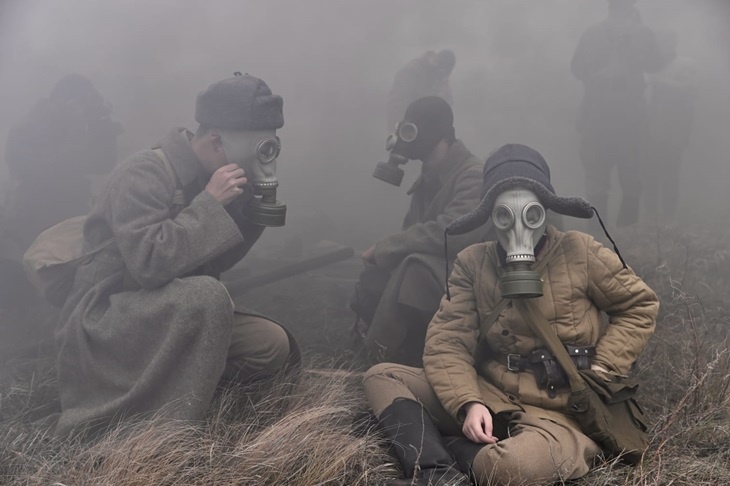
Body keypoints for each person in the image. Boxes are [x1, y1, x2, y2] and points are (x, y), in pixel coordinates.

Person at [363, 143, 659, 485]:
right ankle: (436, 472)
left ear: (545, 210)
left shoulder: (581, 252)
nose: (519, 228)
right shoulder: (473, 263)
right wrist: (467, 402)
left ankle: (456, 449)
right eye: (505, 216)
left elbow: (639, 305)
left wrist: (604, 365)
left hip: (562, 410)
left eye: (530, 215)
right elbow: (448, 343)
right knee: (383, 376)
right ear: (491, 215)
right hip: (490, 392)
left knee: (507, 469)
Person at [53, 73, 299, 437]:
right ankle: (157, 427)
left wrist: (253, 208)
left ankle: (182, 392)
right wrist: (210, 205)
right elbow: (149, 264)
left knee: (271, 344)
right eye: (257, 147)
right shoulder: (143, 172)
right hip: (106, 317)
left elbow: (213, 262)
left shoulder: (209, 175)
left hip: (167, 312)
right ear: (217, 140)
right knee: (208, 294)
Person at [352, 96, 484, 367]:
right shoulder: (429, 175)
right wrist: (384, 256)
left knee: (413, 268)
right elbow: (413, 233)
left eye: (411, 132)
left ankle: (379, 355)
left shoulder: (472, 175)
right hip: (438, 270)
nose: (406, 139)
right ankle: (386, 345)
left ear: (435, 133)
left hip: (471, 275)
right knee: (378, 274)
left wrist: (387, 247)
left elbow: (456, 230)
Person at [571, 0, 669, 227]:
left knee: (596, 179)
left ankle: (597, 237)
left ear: (609, 7)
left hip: (597, 118)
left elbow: (576, 69)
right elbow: (657, 64)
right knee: (632, 176)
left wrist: (596, 72)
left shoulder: (591, 33)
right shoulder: (643, 33)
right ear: (632, 8)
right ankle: (628, 239)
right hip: (631, 119)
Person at [4, 74, 123, 248]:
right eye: (82, 101)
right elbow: (53, 167)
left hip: (70, 210)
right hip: (35, 214)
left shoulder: (69, 127)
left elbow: (102, 163)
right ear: (66, 101)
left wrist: (101, 123)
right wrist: (74, 122)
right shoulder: (31, 126)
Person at [643, 31, 697, 221]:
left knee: (670, 173)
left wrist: (658, 81)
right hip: (651, 129)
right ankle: (650, 218)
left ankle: (668, 218)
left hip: (675, 130)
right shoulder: (649, 68)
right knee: (650, 173)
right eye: (660, 42)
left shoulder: (685, 64)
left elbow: (686, 87)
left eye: (667, 42)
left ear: (674, 43)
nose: (663, 46)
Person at [387, 50, 456, 131]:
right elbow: (396, 106)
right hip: (407, 130)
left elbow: (446, 107)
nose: (441, 79)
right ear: (435, 62)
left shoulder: (439, 76)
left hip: (428, 130)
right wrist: (403, 131)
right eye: (441, 73)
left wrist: (444, 96)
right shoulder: (411, 72)